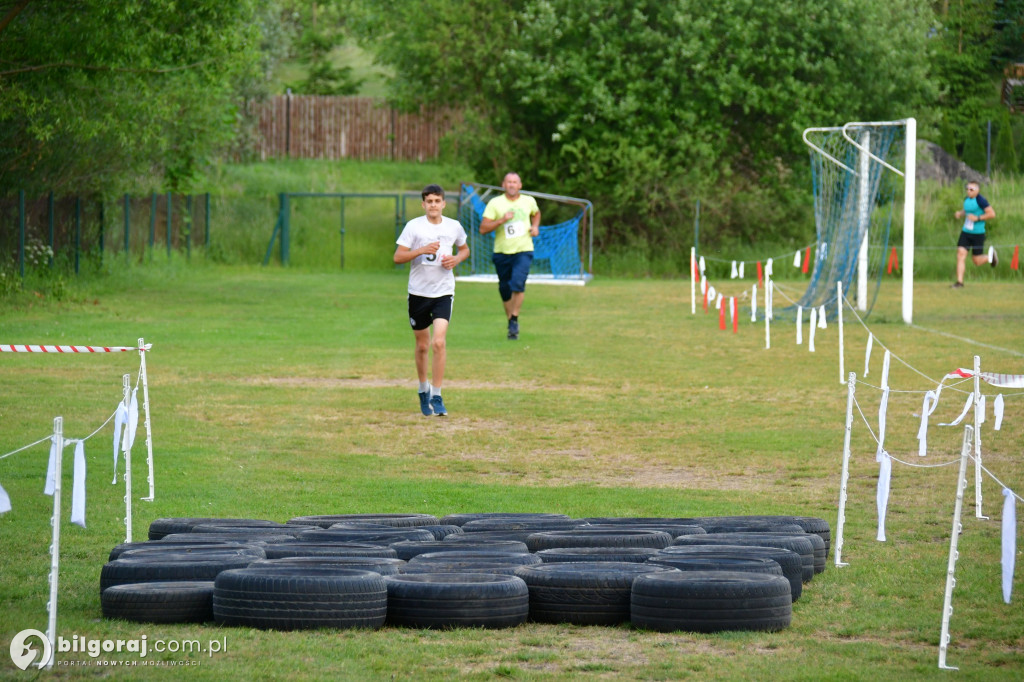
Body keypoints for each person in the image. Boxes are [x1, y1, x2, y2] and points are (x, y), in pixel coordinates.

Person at [393, 184, 469, 416]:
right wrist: (420, 250)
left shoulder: (453, 226)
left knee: (438, 342)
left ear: (444, 204)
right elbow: (398, 257)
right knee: (423, 345)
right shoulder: (413, 227)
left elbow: (464, 249)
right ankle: (423, 389)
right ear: (423, 204)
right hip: (418, 293)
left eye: (437, 201)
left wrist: (456, 260)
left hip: (443, 292)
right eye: (429, 201)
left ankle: (437, 395)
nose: (433, 205)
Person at [479, 172, 541, 340]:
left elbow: (536, 213)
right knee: (505, 288)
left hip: (523, 249)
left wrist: (535, 227)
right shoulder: (495, 203)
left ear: (520, 185)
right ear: (503, 185)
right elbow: (483, 228)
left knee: (518, 284)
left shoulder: (528, 201)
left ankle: (514, 318)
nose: (512, 185)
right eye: (509, 182)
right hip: (501, 252)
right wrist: (501, 221)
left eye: (515, 182)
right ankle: (511, 323)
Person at [952, 181, 997, 288]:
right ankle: (959, 282)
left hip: (978, 234)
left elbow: (992, 214)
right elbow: (967, 210)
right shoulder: (966, 200)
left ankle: (990, 257)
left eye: (971, 189)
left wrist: (977, 218)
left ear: (977, 190)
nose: (968, 191)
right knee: (960, 254)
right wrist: (960, 213)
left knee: (976, 261)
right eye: (967, 189)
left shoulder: (981, 200)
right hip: (966, 232)